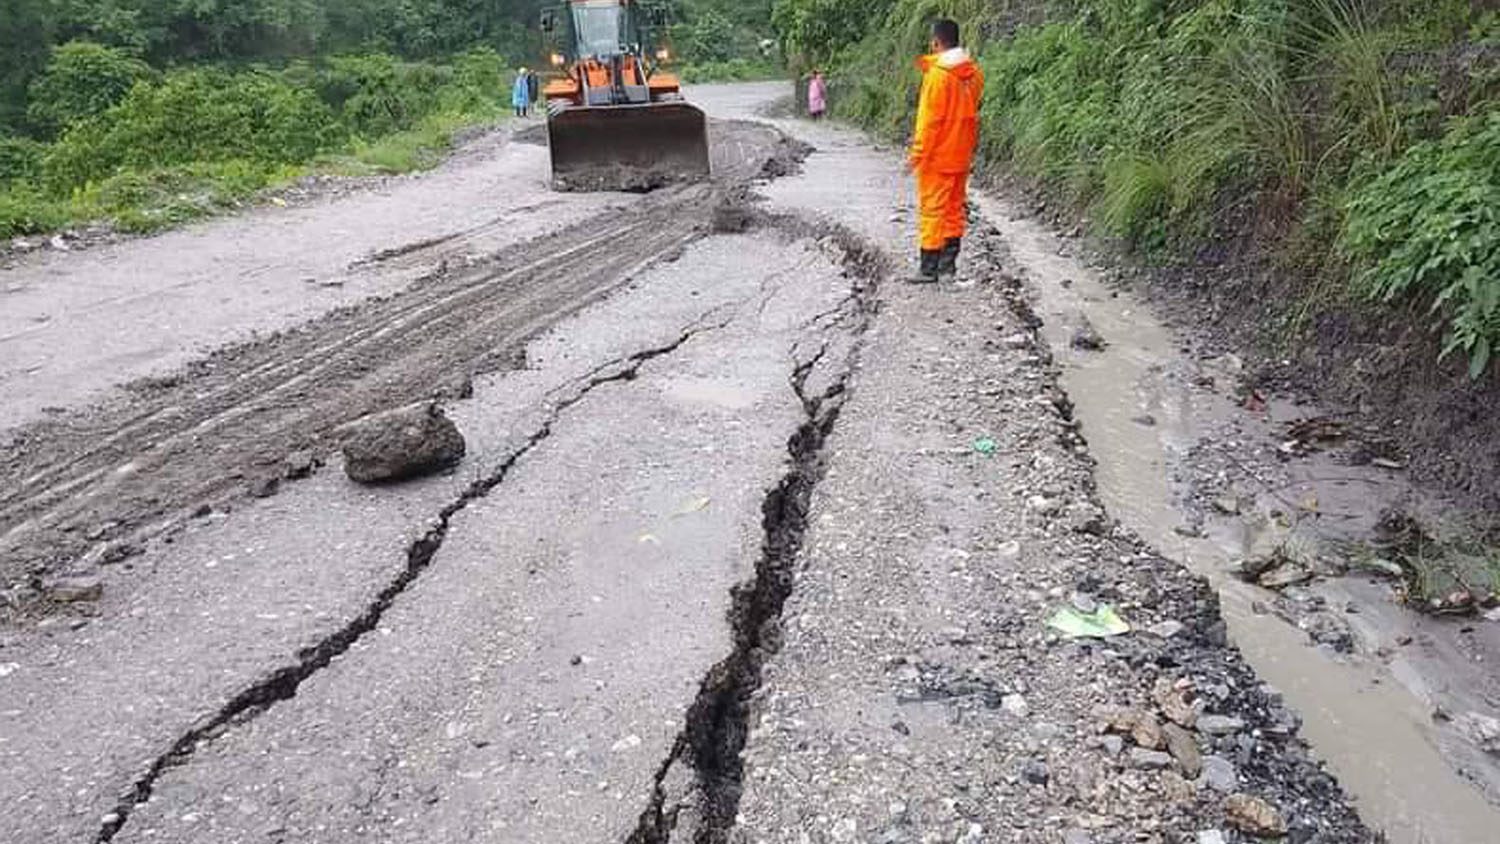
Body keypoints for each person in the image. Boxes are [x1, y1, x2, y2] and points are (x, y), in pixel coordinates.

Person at [907, 18, 984, 283]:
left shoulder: (937, 77)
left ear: (936, 42)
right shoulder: (974, 74)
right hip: (962, 155)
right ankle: (948, 266)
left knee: (932, 210)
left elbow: (929, 122)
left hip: (937, 157)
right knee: (953, 209)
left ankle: (928, 268)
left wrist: (917, 155)